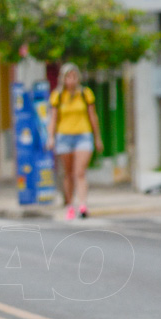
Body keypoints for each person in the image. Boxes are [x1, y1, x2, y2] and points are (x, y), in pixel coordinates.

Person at [46, 64, 104, 219]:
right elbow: (53, 118)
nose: (70, 80)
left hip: (83, 135)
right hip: (64, 136)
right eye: (67, 77)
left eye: (73, 76)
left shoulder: (85, 94)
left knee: (80, 172)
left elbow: (93, 116)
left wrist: (97, 138)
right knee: (69, 174)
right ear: (63, 79)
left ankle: (83, 205)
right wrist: (50, 137)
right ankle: (70, 205)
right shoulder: (57, 96)